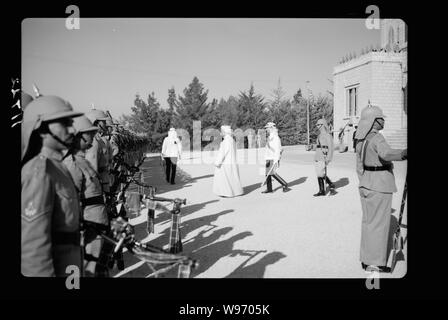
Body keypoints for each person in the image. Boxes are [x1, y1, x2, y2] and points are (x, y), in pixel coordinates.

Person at [21, 95, 83, 276]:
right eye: (65, 124)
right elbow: (34, 248)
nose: (72, 130)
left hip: (70, 267)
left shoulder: (58, 167)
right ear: (41, 129)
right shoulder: (39, 172)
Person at [354, 104, 407, 273]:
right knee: (378, 225)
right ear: (374, 120)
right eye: (381, 118)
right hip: (379, 184)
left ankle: (366, 259)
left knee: (369, 223)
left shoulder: (361, 138)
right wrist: (403, 153)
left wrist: (364, 179)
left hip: (367, 183)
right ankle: (374, 262)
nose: (383, 120)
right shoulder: (377, 138)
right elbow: (386, 154)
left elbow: (359, 165)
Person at [63, 116, 110, 277]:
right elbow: (72, 200)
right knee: (89, 268)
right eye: (88, 133)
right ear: (77, 136)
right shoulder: (72, 164)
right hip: (89, 223)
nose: (92, 136)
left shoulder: (83, 160)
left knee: (97, 265)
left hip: (96, 221)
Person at [85, 108, 111, 194]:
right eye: (103, 122)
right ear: (96, 122)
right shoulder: (94, 142)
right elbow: (92, 169)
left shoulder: (99, 139)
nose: (105, 124)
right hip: (98, 186)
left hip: (104, 181)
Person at [212, 125, 243, 197]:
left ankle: (226, 193)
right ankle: (235, 191)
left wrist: (217, 162)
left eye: (221, 131)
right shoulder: (232, 140)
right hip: (232, 162)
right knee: (232, 178)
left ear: (225, 132)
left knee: (226, 179)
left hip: (226, 163)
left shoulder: (226, 141)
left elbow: (222, 153)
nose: (220, 133)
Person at [262, 122, 290, 193]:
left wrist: (276, 159)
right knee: (267, 173)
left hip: (273, 158)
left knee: (272, 173)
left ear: (271, 128)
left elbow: (278, 149)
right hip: (268, 157)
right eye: (266, 128)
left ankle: (284, 184)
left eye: (267, 128)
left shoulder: (275, 138)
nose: (266, 129)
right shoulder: (270, 137)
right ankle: (269, 189)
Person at [313, 118, 336, 196]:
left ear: (323, 125)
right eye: (316, 124)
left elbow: (331, 147)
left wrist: (328, 158)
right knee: (319, 173)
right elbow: (318, 146)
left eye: (318, 124)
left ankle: (325, 188)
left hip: (324, 156)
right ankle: (325, 188)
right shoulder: (319, 135)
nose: (317, 126)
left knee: (320, 173)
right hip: (317, 156)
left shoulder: (328, 135)